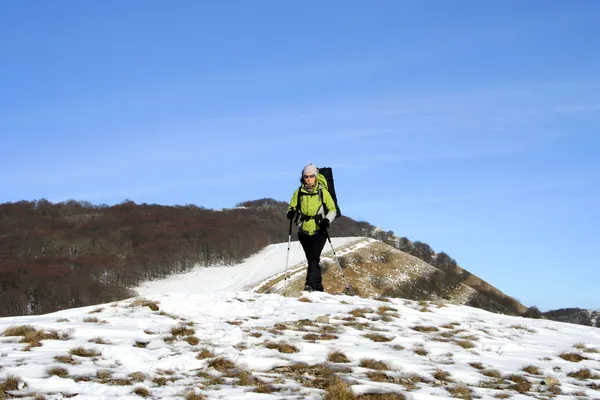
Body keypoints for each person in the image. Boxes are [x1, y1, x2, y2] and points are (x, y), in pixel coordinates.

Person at [286, 164, 337, 292]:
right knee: (312, 259)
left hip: (320, 229)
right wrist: (291, 213)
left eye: (311, 176)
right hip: (303, 231)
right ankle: (318, 287)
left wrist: (326, 220)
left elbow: (332, 209)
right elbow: (290, 208)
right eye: (306, 176)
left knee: (314, 257)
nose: (308, 179)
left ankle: (309, 285)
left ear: (316, 177)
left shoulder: (322, 191)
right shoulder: (298, 192)